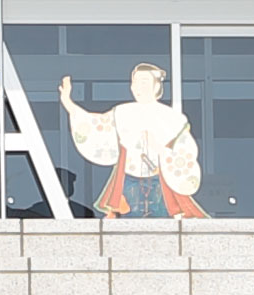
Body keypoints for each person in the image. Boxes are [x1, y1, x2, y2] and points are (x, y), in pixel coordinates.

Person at [57, 61, 208, 218]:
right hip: (128, 179)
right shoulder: (122, 112)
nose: (138, 87)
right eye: (135, 83)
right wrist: (68, 102)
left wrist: (162, 149)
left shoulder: (172, 118)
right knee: (125, 221)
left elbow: (187, 151)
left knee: (165, 222)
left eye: (144, 82)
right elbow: (94, 125)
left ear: (156, 86)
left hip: (161, 181)